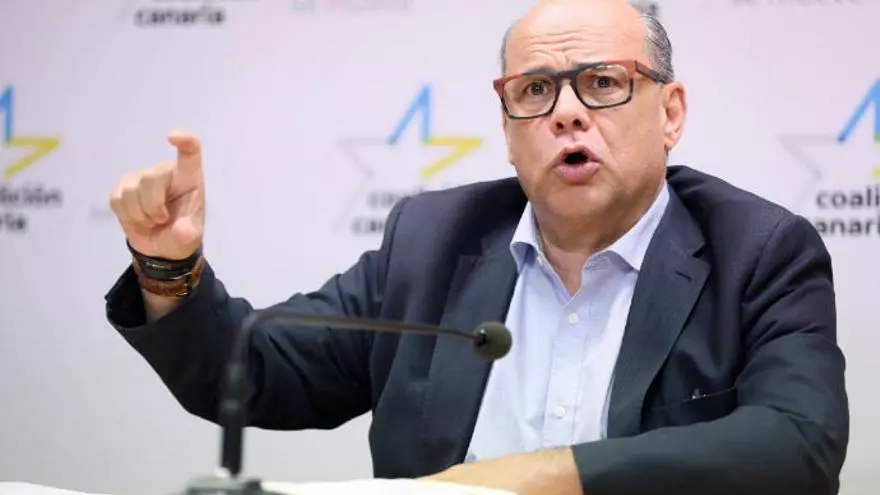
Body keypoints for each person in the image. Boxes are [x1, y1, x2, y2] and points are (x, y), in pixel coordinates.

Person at [104, 0, 849, 494]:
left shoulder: (758, 251)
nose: (566, 114)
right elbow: (252, 370)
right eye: (534, 90)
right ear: (507, 124)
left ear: (671, 114)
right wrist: (167, 264)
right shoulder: (432, 241)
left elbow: (796, 444)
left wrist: (530, 479)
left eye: (602, 83)